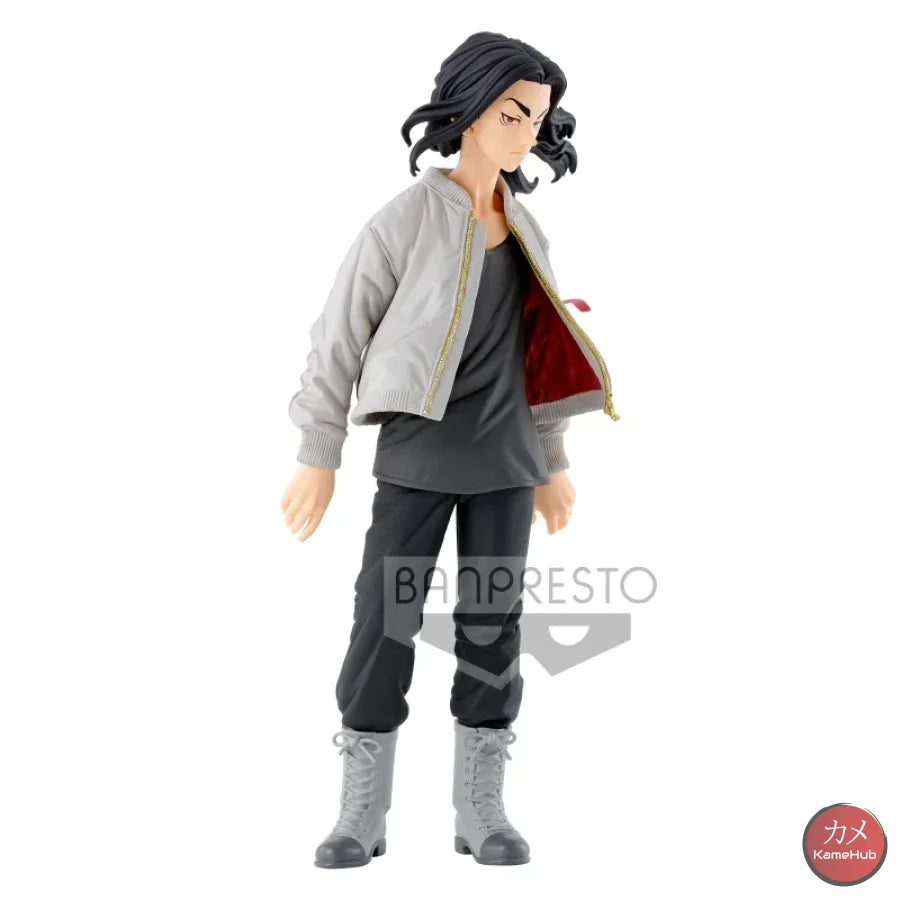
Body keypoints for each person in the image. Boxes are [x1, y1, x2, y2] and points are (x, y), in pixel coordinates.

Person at [280, 31, 618, 868]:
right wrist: (318, 451)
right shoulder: (403, 221)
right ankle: (362, 811)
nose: (526, 133)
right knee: (383, 623)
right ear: (467, 111)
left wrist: (553, 462)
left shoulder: (528, 230)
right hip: (417, 459)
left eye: (536, 119)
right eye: (511, 114)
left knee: (493, 632)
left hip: (507, 466)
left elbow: (539, 353)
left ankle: (481, 808)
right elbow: (337, 338)